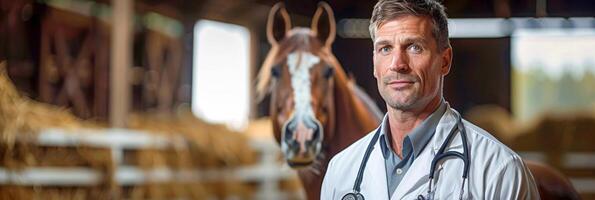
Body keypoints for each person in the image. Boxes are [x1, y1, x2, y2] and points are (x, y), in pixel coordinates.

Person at [320, 0, 540, 199]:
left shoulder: (499, 171)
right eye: (385, 48)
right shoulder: (341, 171)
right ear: (375, 63)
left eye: (414, 47)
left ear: (445, 61)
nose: (397, 63)